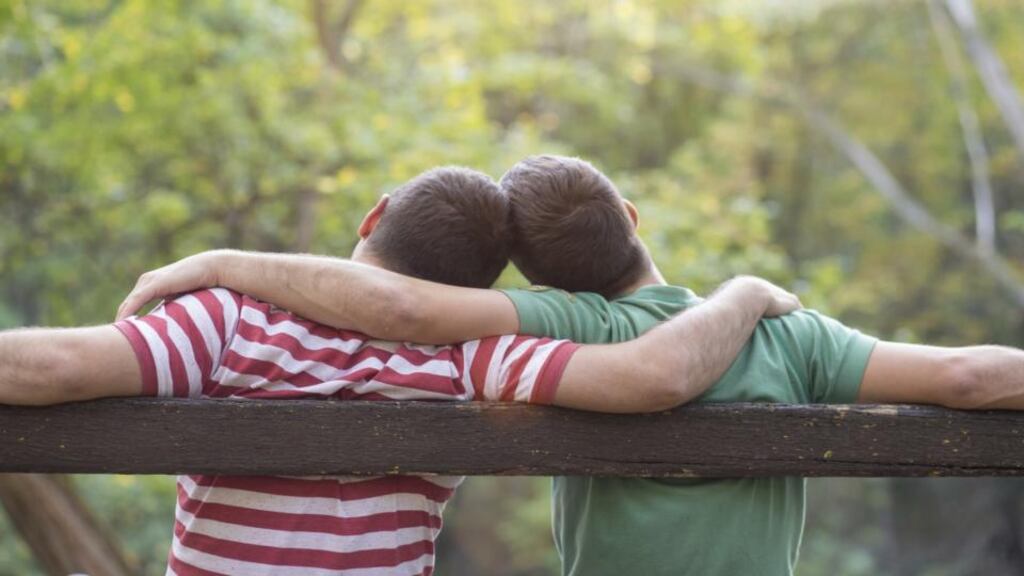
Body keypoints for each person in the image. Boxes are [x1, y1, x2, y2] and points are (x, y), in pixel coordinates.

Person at [124, 155, 1024, 575]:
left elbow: (396, 306)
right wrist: (749, 289)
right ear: (633, 215)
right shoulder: (792, 336)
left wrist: (216, 264)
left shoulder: (567, 323)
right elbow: (969, 381)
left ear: (531, 278)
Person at [1, 165, 801, 575]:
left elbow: (59, 366)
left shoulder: (228, 318)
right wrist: (748, 295)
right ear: (484, 288)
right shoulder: (471, 356)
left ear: (373, 216)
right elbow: (642, 379)